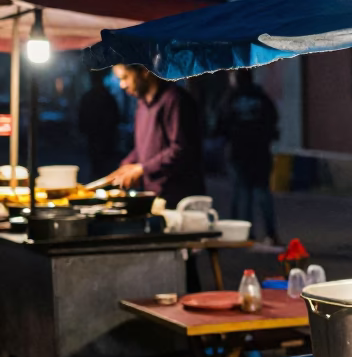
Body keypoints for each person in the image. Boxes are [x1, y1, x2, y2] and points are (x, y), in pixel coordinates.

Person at [105, 64, 205, 207]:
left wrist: (141, 169)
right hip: (154, 198)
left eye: (126, 77)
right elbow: (143, 148)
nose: (122, 85)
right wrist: (127, 165)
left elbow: (180, 150)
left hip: (180, 201)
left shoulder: (175, 100)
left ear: (145, 71)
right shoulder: (142, 105)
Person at [216, 68, 279, 242]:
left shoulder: (231, 98)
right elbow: (273, 118)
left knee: (243, 193)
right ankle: (270, 233)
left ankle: (244, 234)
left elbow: (221, 124)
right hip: (260, 152)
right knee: (262, 192)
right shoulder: (260, 97)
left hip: (239, 153)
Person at [78, 71, 121, 181]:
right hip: (99, 138)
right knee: (99, 167)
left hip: (103, 138)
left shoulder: (98, 97)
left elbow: (115, 118)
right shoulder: (105, 96)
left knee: (103, 167)